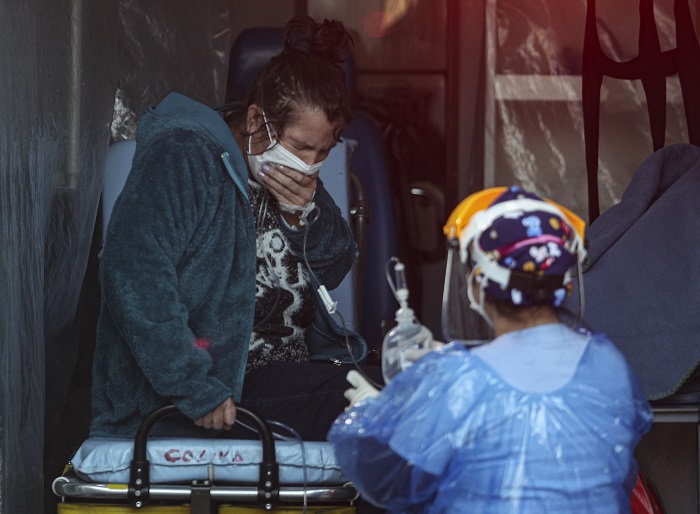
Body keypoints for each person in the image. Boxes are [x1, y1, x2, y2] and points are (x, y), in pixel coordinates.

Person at [90, 15, 381, 442]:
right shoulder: (183, 157)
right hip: (208, 393)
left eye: (323, 152)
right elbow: (133, 274)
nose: (309, 164)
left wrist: (302, 217)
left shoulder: (295, 176)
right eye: (301, 147)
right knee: (384, 403)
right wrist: (195, 387)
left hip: (283, 375)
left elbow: (335, 267)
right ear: (256, 120)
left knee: (403, 385)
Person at [328, 186, 653, 513]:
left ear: (477, 282)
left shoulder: (457, 380)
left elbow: (387, 480)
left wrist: (372, 417)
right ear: (564, 281)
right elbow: (616, 470)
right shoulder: (608, 363)